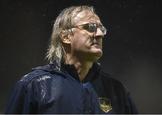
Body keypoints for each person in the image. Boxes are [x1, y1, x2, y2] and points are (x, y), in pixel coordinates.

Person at [5, 5, 138, 114]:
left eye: (101, 29)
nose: (99, 34)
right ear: (65, 36)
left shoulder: (116, 90)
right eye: (90, 27)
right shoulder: (33, 86)